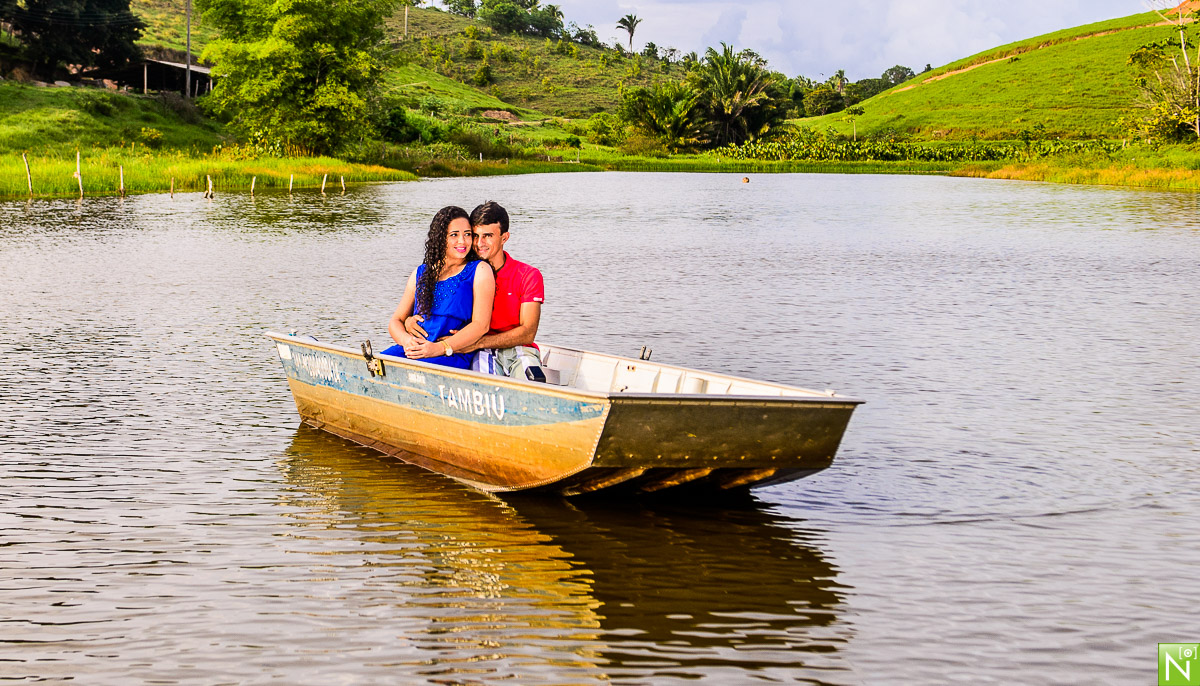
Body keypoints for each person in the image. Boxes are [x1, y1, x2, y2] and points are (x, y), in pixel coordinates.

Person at [406, 201, 544, 379]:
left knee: (531, 380)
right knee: (484, 384)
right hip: (478, 351)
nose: (479, 243)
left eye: (487, 236)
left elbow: (528, 332)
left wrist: (478, 342)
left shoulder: (528, 275)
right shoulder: (466, 274)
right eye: (475, 235)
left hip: (516, 350)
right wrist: (409, 321)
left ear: (504, 237)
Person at [382, 206, 495, 370]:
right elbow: (396, 321)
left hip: (451, 353)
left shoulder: (480, 270)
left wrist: (440, 348)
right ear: (441, 238)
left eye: (467, 234)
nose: (462, 241)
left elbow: (481, 325)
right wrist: (407, 341)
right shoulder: (421, 273)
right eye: (454, 235)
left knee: (421, 371)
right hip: (415, 350)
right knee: (379, 363)